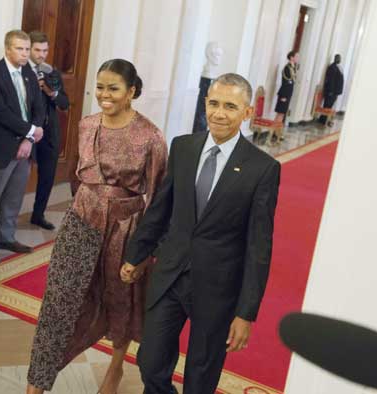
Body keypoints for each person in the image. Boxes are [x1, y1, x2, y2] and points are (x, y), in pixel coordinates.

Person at [121, 73, 281, 394]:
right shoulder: (183, 147)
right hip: (170, 274)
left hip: (218, 288)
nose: (220, 113)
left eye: (231, 106)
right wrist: (136, 254)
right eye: (214, 103)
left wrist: (245, 313)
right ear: (205, 103)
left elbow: (258, 246)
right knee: (150, 362)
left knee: (200, 376)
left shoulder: (262, 168)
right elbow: (160, 209)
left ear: (247, 112)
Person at [26, 59, 168, 394]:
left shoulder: (151, 136)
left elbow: (159, 197)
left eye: (113, 88)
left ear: (131, 91)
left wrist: (145, 253)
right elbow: (80, 175)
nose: (104, 94)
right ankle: (36, 382)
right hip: (82, 221)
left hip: (125, 228)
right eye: (100, 87)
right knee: (57, 302)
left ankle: (115, 369)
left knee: (121, 300)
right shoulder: (87, 124)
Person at [0, 30, 45, 265]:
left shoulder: (29, 74)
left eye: (26, 49)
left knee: (13, 197)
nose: (25, 54)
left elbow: (39, 108)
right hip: (0, 147)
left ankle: (6, 236)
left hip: (24, 147)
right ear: (7, 49)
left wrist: (29, 140)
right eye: (19, 48)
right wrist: (31, 131)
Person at [27, 31, 69, 230]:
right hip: (26, 131)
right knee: (16, 177)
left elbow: (64, 103)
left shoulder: (51, 71)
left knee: (48, 175)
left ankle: (38, 214)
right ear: (29, 49)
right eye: (37, 50)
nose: (41, 55)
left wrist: (52, 93)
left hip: (49, 131)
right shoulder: (21, 70)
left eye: (45, 50)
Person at [272, 50, 299, 143]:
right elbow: (286, 83)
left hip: (288, 94)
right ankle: (274, 133)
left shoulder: (293, 67)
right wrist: (284, 96)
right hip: (284, 94)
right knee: (280, 114)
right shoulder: (287, 68)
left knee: (282, 114)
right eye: (296, 57)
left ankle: (277, 132)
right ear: (291, 57)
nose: (297, 59)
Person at [319, 53, 344, 125]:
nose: (339, 60)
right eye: (338, 58)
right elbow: (330, 80)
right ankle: (322, 120)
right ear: (335, 59)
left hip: (335, 92)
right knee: (327, 106)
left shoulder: (338, 67)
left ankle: (325, 120)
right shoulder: (332, 67)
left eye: (340, 58)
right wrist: (330, 91)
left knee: (330, 106)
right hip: (331, 92)